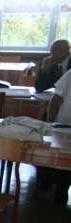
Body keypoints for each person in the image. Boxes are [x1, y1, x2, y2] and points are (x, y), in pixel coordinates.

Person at [38, 68, 71, 204]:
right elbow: (56, 98)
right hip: (63, 124)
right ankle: (46, 182)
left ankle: (62, 189)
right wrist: (51, 120)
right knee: (52, 154)